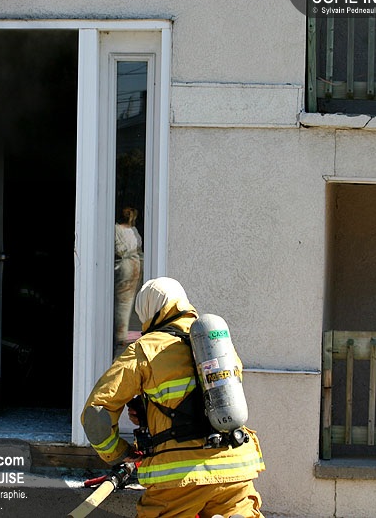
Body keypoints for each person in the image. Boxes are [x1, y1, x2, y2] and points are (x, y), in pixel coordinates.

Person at [81, 277, 265, 518]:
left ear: (148, 310)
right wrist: (150, 413)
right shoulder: (216, 343)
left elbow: (96, 414)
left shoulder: (145, 349)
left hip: (178, 475)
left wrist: (119, 453)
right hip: (235, 465)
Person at [114, 206, 143, 347]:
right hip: (134, 264)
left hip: (127, 265)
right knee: (127, 301)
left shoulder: (118, 229)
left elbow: (119, 249)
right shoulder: (132, 230)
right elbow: (138, 246)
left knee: (123, 301)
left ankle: (120, 334)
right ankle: (121, 333)